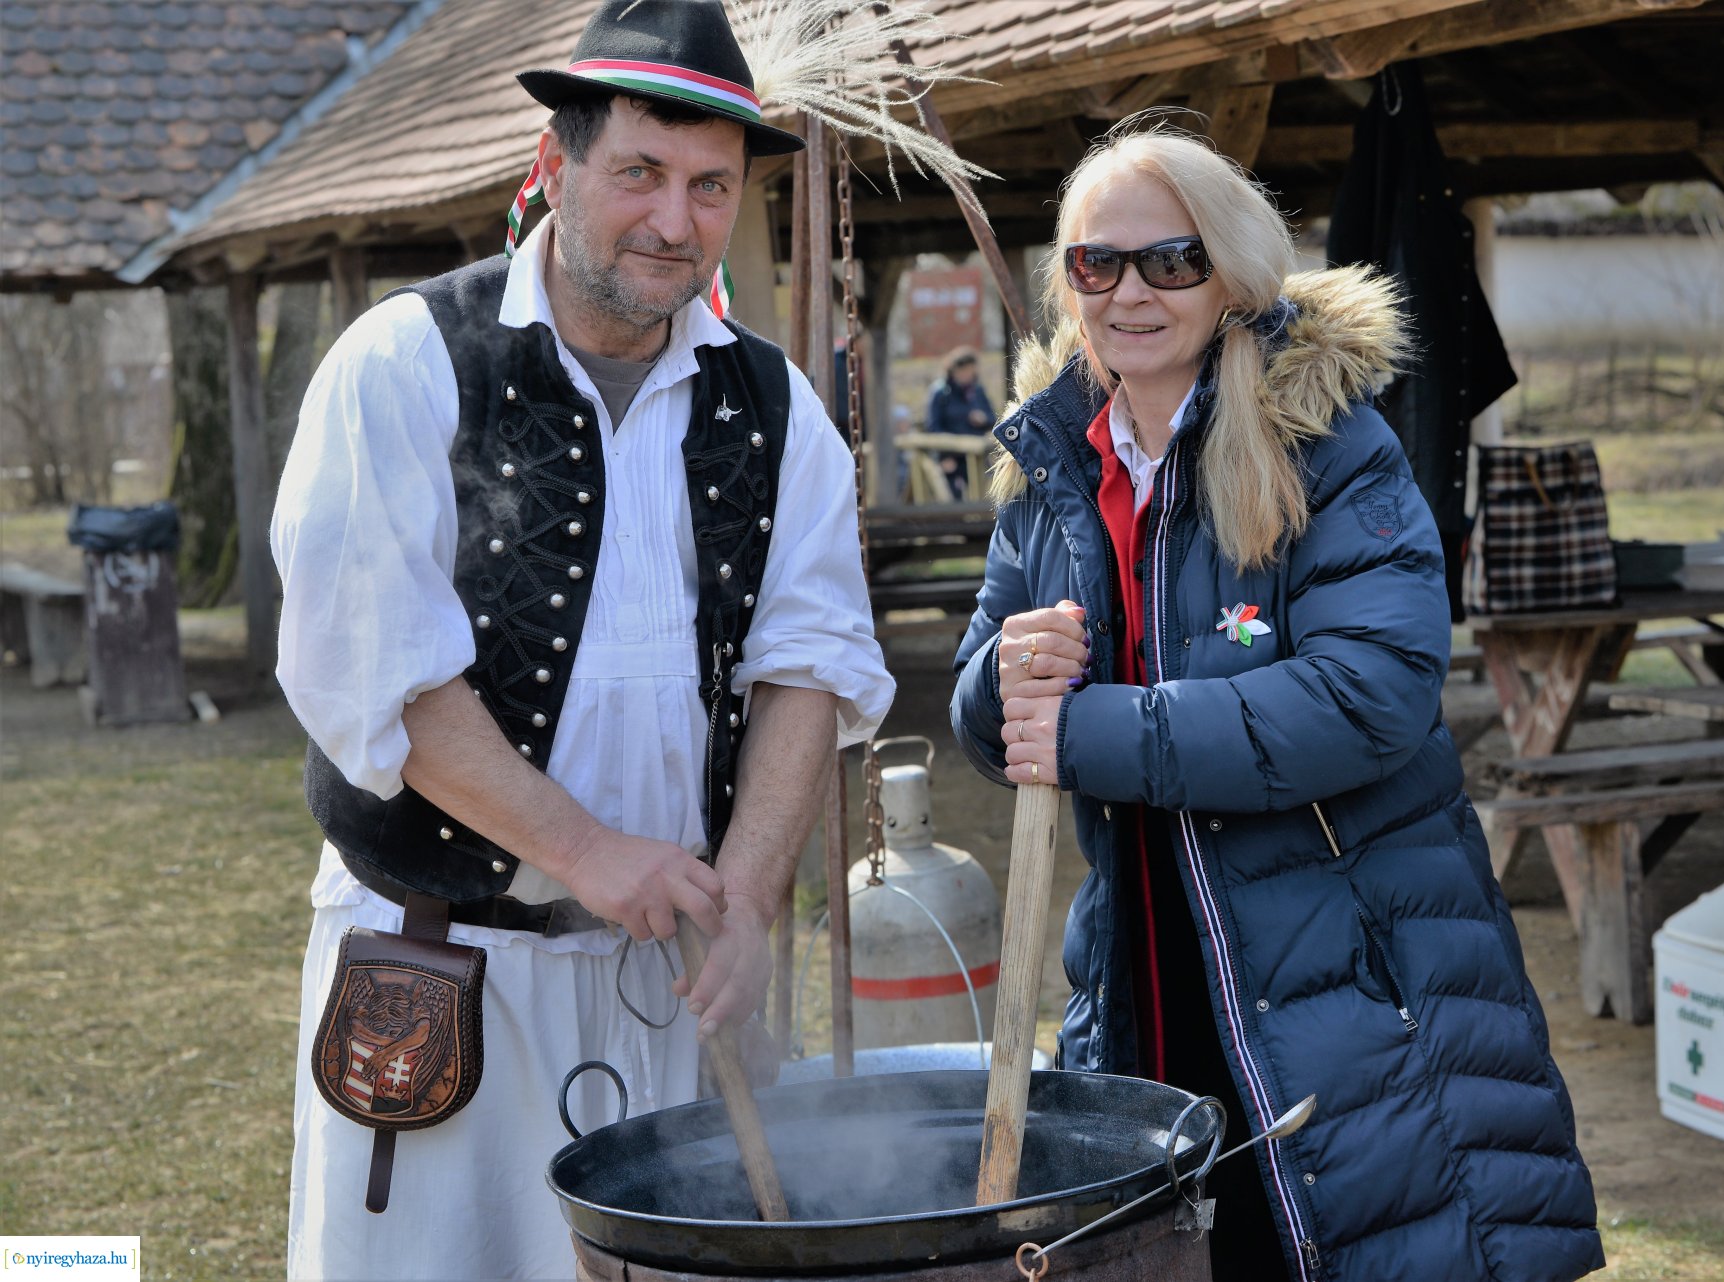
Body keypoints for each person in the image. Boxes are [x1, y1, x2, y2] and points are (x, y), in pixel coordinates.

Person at [269, 1, 921, 1276]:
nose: (674, 222)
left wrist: (747, 895)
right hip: (447, 970)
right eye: (639, 173)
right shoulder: (405, 363)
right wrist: (585, 851)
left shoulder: (775, 405)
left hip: (683, 984)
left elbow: (808, 668)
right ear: (557, 167)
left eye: (709, 186)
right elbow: (379, 677)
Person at [949, 123, 1605, 1282]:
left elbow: (1369, 696)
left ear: (1234, 274)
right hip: (1148, 980)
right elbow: (984, 697)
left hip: (1349, 992)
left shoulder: (1331, 450)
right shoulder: (1051, 471)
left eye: (1173, 261)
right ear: (1069, 282)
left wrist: (1087, 726)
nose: (1133, 292)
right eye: (1098, 263)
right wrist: (1003, 684)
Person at [925, 348, 994, 499]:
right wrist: (943, 456)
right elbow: (933, 426)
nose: (967, 375)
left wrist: (983, 419)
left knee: (986, 495)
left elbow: (992, 419)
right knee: (953, 498)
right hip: (950, 455)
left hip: (977, 456)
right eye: (964, 370)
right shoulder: (940, 392)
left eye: (971, 370)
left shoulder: (977, 390)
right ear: (954, 370)